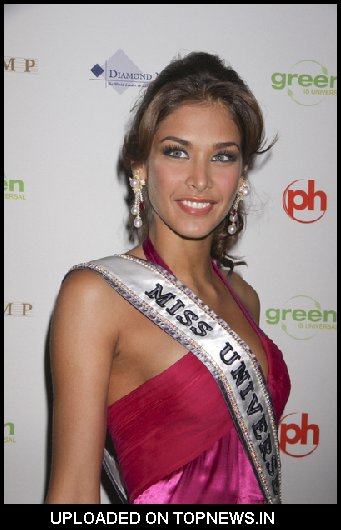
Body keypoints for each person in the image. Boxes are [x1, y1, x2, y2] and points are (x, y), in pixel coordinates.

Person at [45, 51, 291, 505]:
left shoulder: (243, 297)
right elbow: (73, 492)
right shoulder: (96, 296)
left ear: (240, 177)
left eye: (222, 156)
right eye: (177, 152)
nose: (199, 179)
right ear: (140, 167)